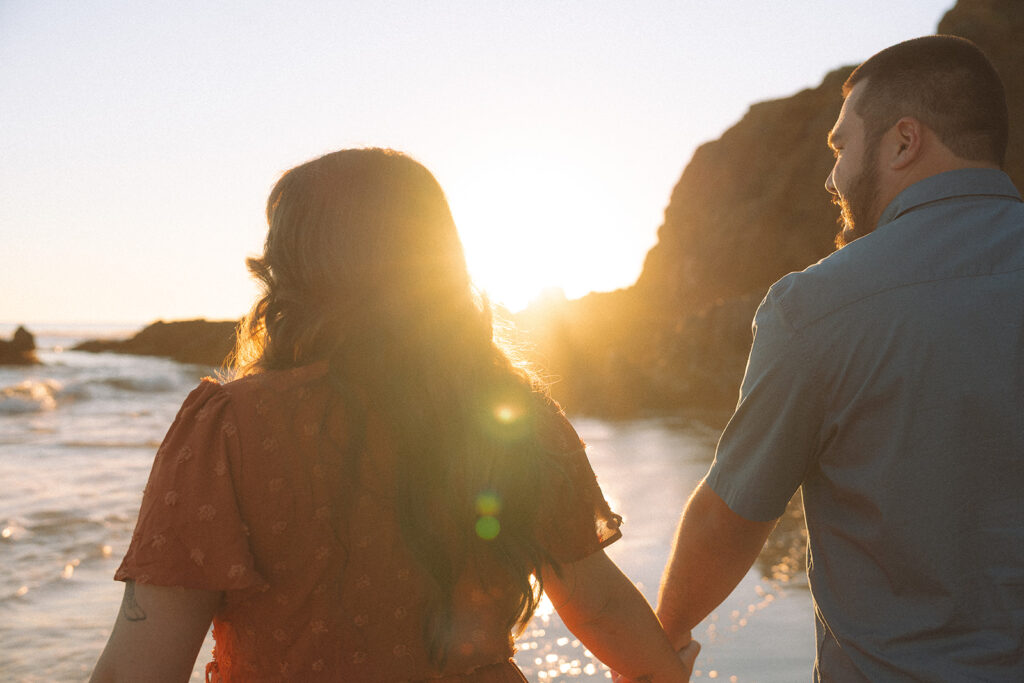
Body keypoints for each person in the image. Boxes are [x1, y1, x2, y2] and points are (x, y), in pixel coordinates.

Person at [90, 148, 697, 682]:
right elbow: (598, 605)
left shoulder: (231, 428)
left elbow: (140, 669)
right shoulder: (512, 416)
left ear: (287, 269)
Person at [655, 35, 1023, 681]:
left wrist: (661, 641)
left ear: (903, 141)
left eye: (842, 146)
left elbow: (731, 514)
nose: (833, 176)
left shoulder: (819, 306)